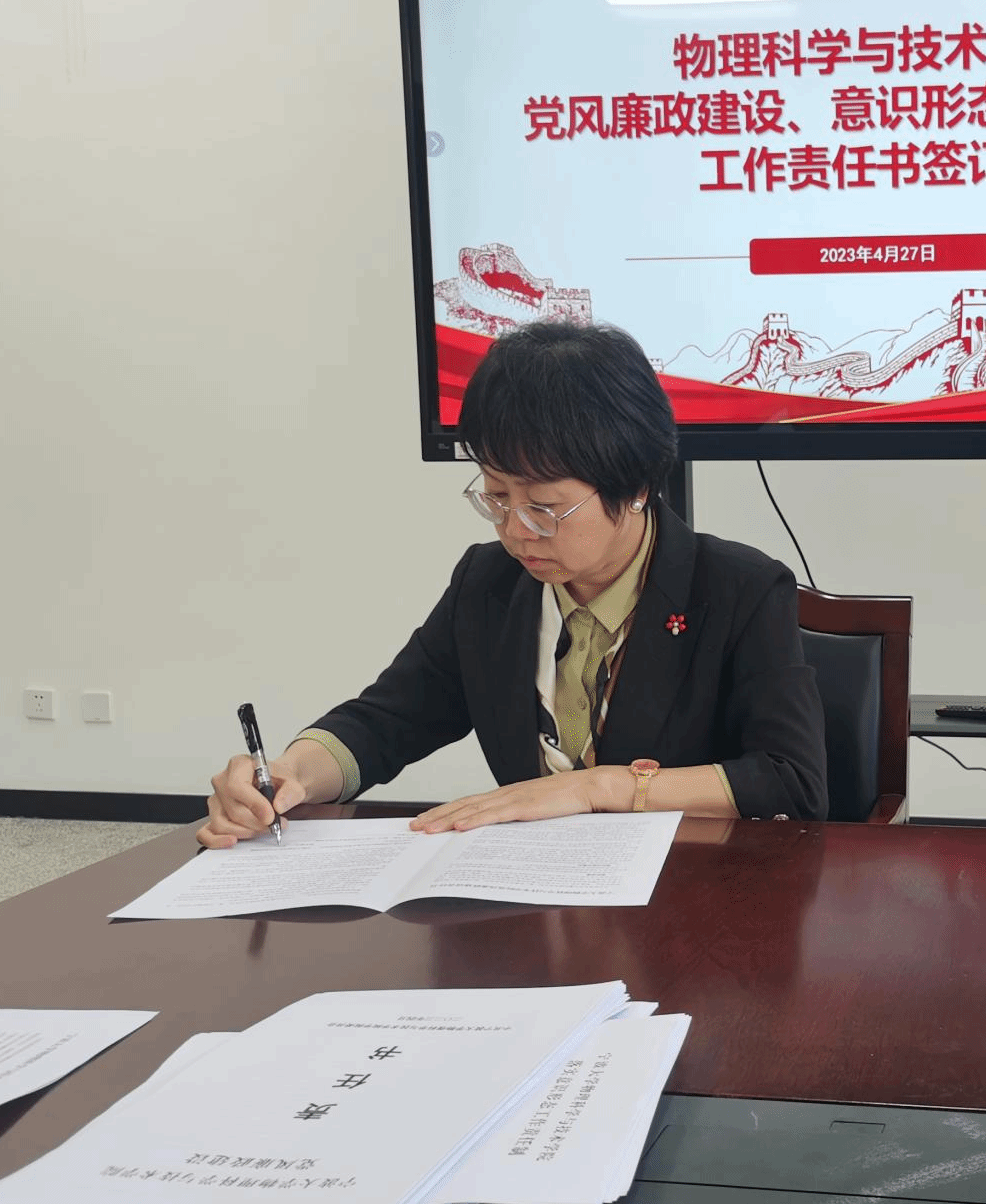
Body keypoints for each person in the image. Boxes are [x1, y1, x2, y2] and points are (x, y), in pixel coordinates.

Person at [199, 320, 826, 847]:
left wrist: (600, 787)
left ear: (635, 486)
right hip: (535, 895)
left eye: (545, 508)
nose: (516, 531)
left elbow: (790, 782)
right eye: (496, 497)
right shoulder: (489, 584)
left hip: (689, 898)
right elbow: (387, 720)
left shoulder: (739, 589)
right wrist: (291, 774)